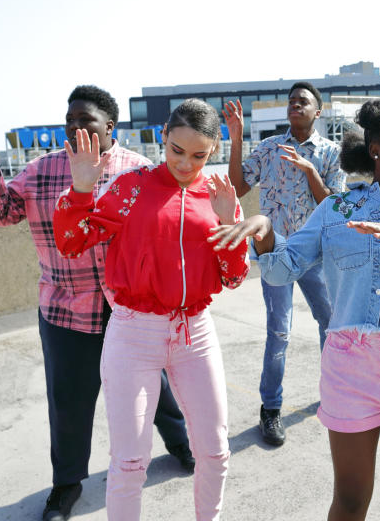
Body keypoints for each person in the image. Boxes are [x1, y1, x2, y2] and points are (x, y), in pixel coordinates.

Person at [0, 85, 193, 521]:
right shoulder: (41, 171)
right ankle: (66, 486)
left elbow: (171, 227)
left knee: (156, 389)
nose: (74, 128)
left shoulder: (141, 171)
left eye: (85, 120)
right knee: (69, 404)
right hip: (65, 311)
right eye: (69, 120)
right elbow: (1, 211)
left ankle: (183, 446)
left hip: (130, 312)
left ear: (110, 127)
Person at [211, 100, 380, 521]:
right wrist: (267, 234)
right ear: (376, 148)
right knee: (350, 500)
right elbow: (279, 271)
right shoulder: (336, 210)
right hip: (350, 367)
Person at [53, 99, 249, 521]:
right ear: (163, 136)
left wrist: (229, 224)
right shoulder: (131, 186)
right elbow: (72, 242)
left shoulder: (217, 195)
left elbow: (234, 277)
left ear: (214, 149)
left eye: (198, 155)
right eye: (176, 150)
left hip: (195, 332)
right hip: (133, 333)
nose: (185, 163)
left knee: (214, 451)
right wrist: (82, 189)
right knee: (129, 461)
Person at [223, 81, 346, 446]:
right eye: (292, 101)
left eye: (303, 101)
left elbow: (335, 208)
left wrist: (311, 171)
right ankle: (271, 408)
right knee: (279, 331)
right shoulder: (269, 147)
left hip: (314, 253)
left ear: (317, 111)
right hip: (275, 251)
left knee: (331, 324)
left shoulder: (330, 153)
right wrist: (236, 138)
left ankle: (335, 392)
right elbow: (237, 185)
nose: (295, 105)